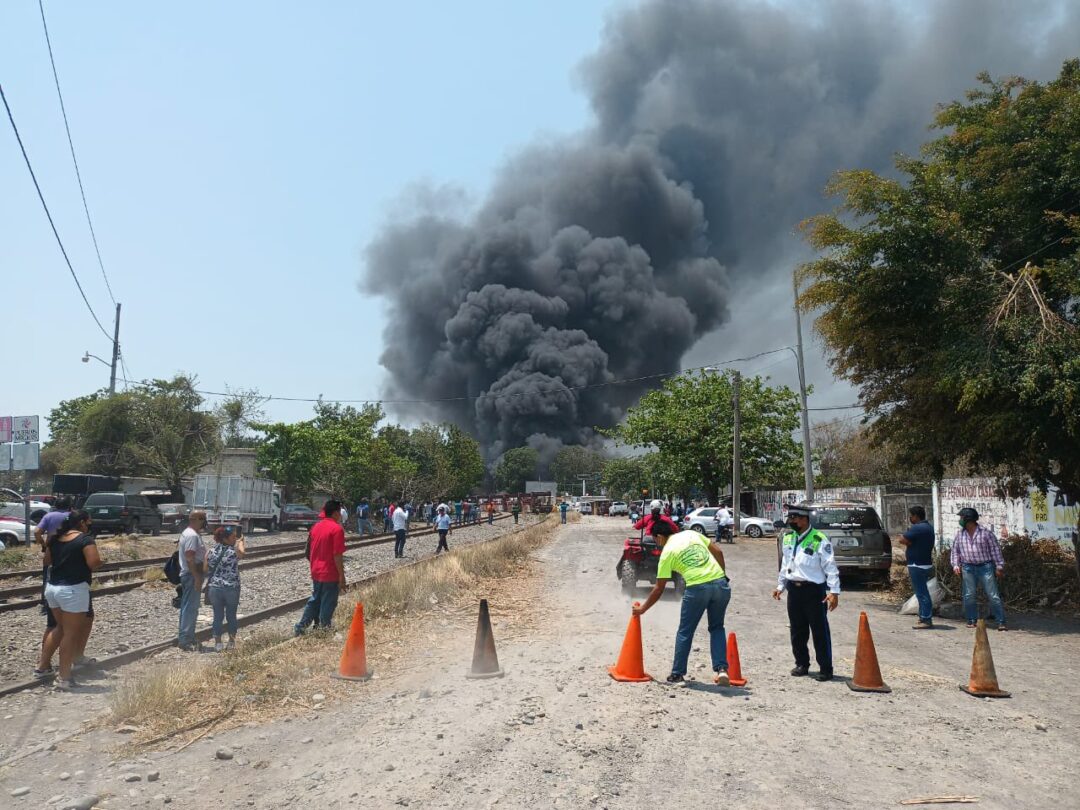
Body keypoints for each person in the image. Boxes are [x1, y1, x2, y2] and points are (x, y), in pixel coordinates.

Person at [633, 521, 732, 685]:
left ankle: (677, 673)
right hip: (720, 585)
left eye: (656, 539)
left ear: (659, 537)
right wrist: (723, 576)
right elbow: (719, 552)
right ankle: (722, 670)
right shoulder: (692, 534)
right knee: (717, 627)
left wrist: (642, 609)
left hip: (697, 588)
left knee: (685, 631)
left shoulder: (667, 553)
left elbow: (659, 588)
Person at [772, 504, 840, 681]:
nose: (791, 521)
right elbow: (786, 564)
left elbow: (830, 567)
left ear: (804, 519)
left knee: (819, 631)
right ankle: (802, 663)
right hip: (794, 589)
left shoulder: (819, 539)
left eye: (794, 518)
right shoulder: (788, 538)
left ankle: (825, 668)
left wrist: (834, 591)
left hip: (814, 591)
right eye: (790, 518)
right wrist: (781, 586)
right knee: (797, 630)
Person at [42, 510, 102, 690]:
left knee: (59, 627)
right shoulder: (85, 540)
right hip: (73, 590)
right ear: (81, 523)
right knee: (70, 634)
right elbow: (94, 563)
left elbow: (47, 562)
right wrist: (101, 561)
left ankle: (43, 667)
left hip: (52, 589)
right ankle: (64, 678)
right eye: (87, 522)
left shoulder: (54, 538)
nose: (88, 525)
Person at [33, 497, 73, 679]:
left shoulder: (49, 516)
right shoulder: (73, 517)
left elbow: (36, 531)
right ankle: (66, 666)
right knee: (65, 625)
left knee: (49, 583)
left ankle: (46, 601)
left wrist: (43, 544)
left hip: (51, 556)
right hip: (70, 563)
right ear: (71, 506)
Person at [295, 501, 347, 635]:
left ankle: (301, 627)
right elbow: (337, 555)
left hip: (316, 570)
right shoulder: (337, 529)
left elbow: (309, 550)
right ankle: (324, 628)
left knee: (315, 600)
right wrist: (342, 576)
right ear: (336, 513)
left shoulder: (315, 527)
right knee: (328, 602)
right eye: (339, 512)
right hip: (330, 572)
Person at [950, 507, 1007, 630]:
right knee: (969, 595)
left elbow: (995, 550)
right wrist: (955, 565)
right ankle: (971, 619)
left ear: (968, 519)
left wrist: (999, 566)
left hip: (985, 566)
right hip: (967, 567)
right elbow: (955, 551)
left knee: (993, 595)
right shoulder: (960, 534)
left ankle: (1001, 621)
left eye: (961, 518)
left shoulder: (986, 533)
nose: (960, 520)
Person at [207, 525, 246, 651]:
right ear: (225, 538)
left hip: (214, 587)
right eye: (233, 537)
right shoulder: (233, 551)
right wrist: (241, 542)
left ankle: (218, 644)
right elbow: (242, 553)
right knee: (231, 615)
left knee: (217, 616)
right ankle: (231, 643)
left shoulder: (211, 551)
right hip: (231, 588)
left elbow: (204, 568)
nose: (235, 539)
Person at [900, 505, 936, 629]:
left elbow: (902, 539)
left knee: (921, 593)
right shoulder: (928, 527)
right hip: (925, 563)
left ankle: (926, 618)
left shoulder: (917, 528)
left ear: (915, 516)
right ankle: (923, 617)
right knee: (923, 592)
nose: (910, 518)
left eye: (911, 515)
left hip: (917, 564)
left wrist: (908, 542)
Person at [177, 510, 207, 651]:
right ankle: (186, 640)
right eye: (202, 518)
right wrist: (197, 577)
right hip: (191, 575)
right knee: (190, 608)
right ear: (193, 519)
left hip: (190, 575)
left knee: (188, 607)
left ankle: (186, 636)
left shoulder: (189, 534)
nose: (204, 521)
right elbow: (190, 558)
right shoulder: (192, 536)